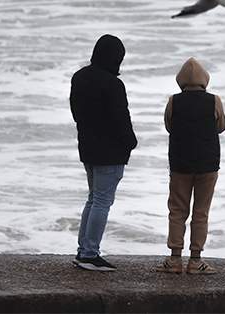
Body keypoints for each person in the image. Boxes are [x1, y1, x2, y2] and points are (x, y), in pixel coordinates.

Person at [69, 34, 137, 272]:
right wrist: (131, 142)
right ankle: (89, 254)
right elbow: (121, 119)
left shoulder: (79, 77)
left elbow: (76, 112)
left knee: (93, 198)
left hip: (88, 147)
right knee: (101, 201)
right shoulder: (113, 84)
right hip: (110, 152)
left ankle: (83, 250)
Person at [161, 57, 225, 275]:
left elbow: (169, 126)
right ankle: (196, 260)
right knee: (201, 212)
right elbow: (222, 126)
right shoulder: (214, 100)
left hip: (180, 163)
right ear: (204, 80)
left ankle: (174, 260)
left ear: (180, 80)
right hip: (208, 164)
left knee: (177, 210)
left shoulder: (174, 101)